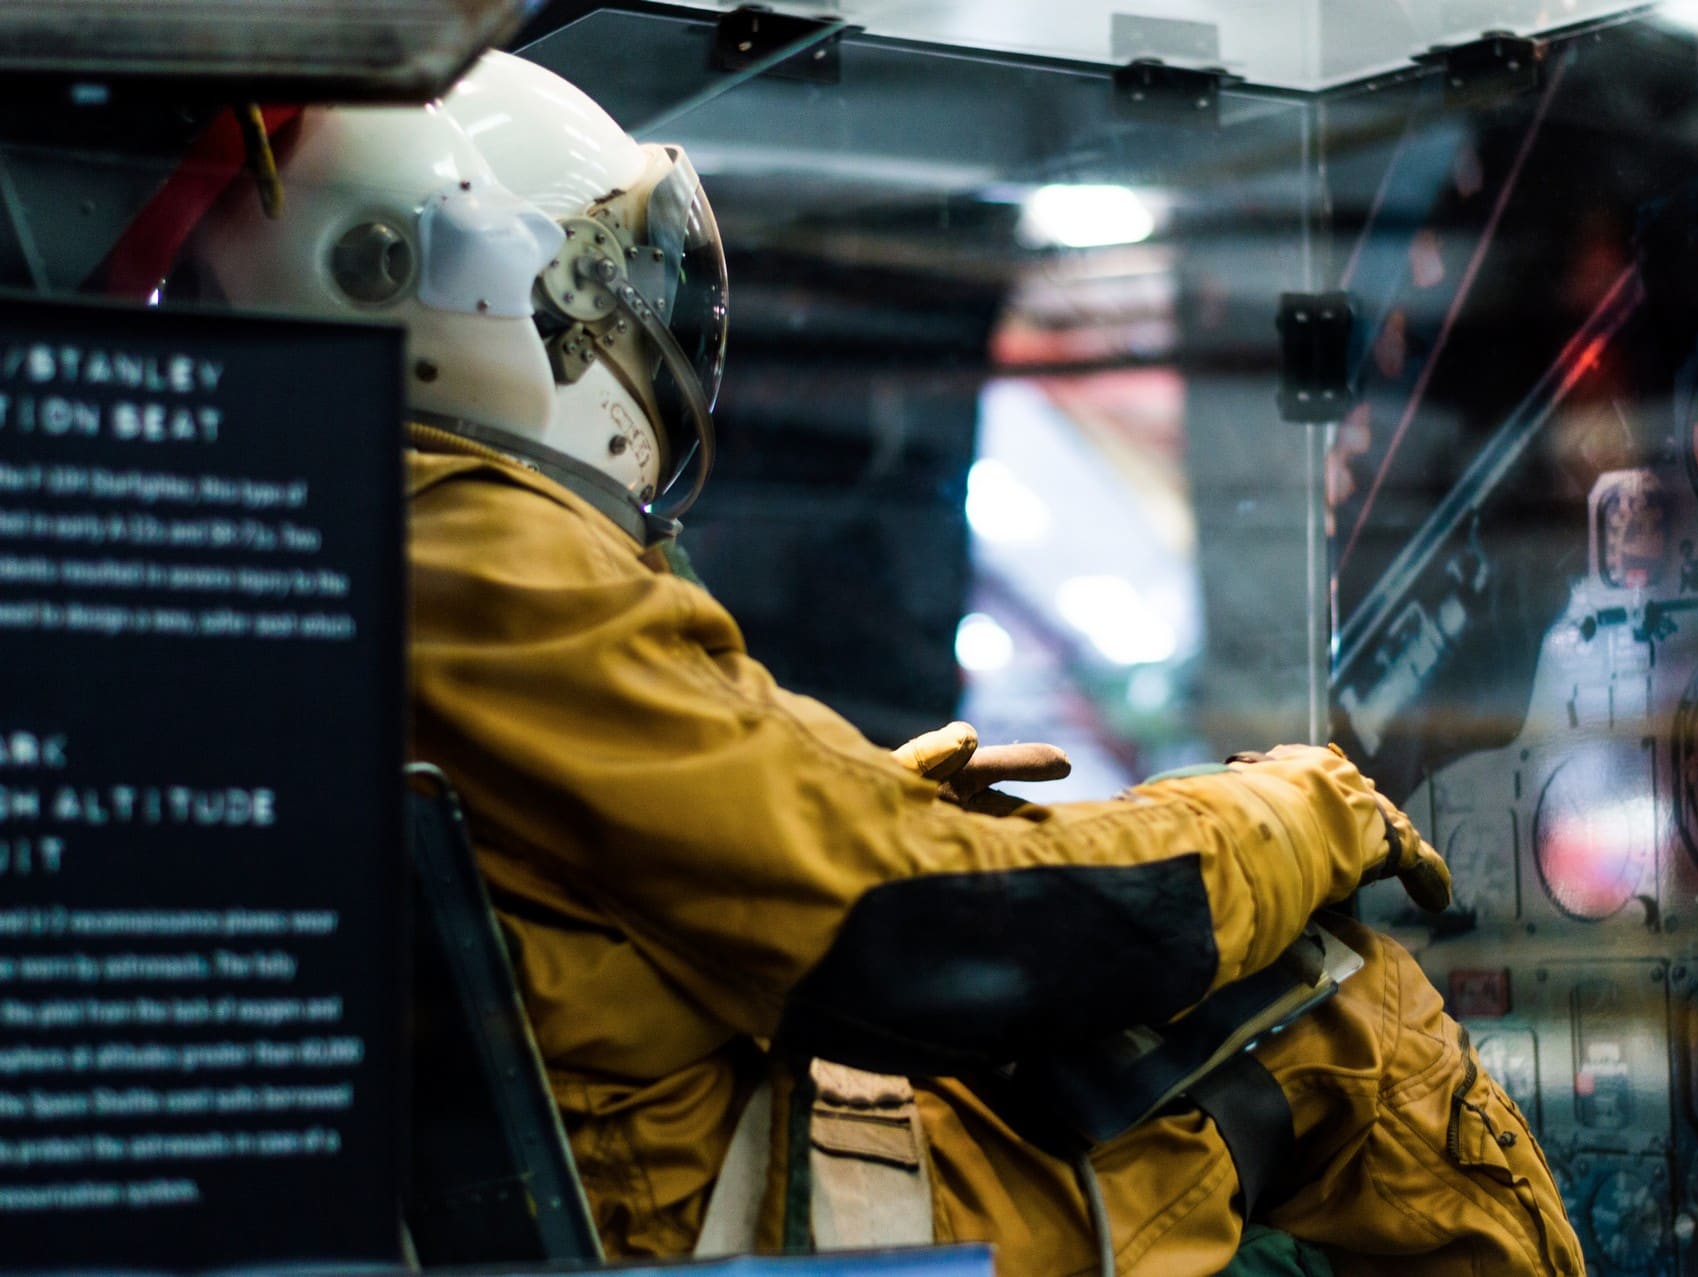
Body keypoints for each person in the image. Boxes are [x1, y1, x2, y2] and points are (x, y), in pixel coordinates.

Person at [170, 49, 1584, 1277]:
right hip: (715, 1221)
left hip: (636, 1182)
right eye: (611, 285)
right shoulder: (473, 543)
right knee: (1339, 1008)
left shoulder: (297, 546)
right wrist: (1299, 808)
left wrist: (861, 788)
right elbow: (912, 931)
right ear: (478, 276)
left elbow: (636, 892)